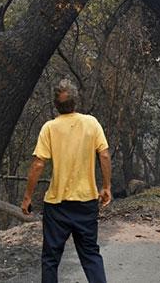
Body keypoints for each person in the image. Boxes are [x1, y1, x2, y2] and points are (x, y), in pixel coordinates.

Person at [21, 79, 112, 283]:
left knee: (51, 259)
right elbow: (104, 155)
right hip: (86, 202)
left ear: (56, 104)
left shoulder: (49, 128)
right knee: (90, 256)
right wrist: (106, 187)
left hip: (57, 206)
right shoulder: (91, 123)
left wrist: (27, 197)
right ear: (76, 101)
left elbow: (37, 165)